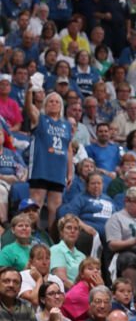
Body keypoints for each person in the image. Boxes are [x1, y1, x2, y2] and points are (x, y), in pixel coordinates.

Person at [25, 88, 73, 231]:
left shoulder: (67, 126)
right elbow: (28, 107)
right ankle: (32, 235)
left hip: (58, 170)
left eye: (57, 101)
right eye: (50, 101)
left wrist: (70, 172)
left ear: (61, 106)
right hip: (41, 167)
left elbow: (69, 149)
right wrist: (29, 91)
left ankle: (52, 240)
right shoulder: (40, 118)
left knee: (55, 207)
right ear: (45, 105)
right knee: (36, 204)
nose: (53, 103)